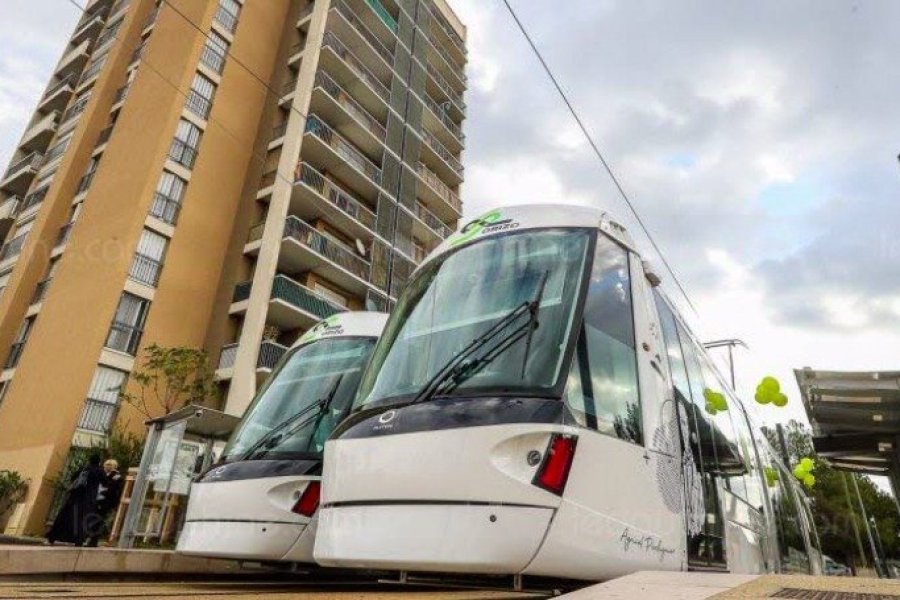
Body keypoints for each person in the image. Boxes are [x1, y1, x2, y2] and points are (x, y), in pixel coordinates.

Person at [46, 454, 105, 546]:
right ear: (99, 461)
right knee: (83, 519)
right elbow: (104, 482)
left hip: (75, 497)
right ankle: (78, 540)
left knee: (66, 516)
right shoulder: (100, 471)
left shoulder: (84, 469)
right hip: (88, 499)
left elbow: (73, 478)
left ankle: (53, 537)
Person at [85, 459, 124, 547]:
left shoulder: (116, 476)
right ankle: (91, 539)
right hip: (97, 499)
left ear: (114, 466)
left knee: (98, 521)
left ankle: (93, 541)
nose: (106, 466)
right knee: (93, 519)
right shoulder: (104, 474)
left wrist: (104, 491)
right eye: (106, 465)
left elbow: (114, 490)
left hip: (105, 502)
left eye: (109, 465)